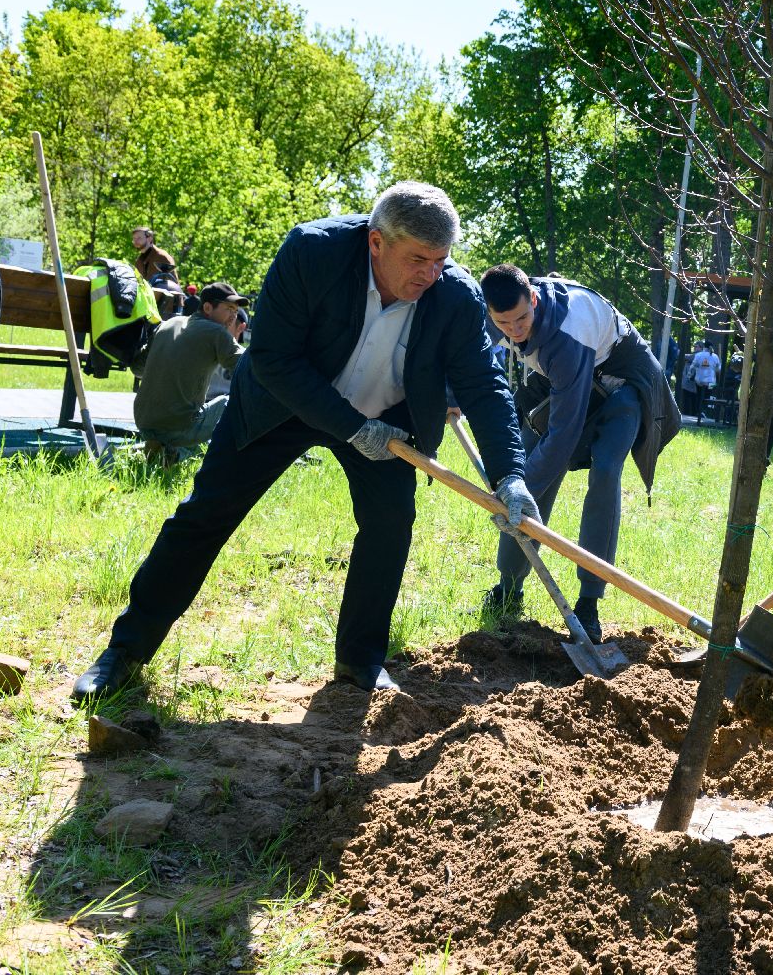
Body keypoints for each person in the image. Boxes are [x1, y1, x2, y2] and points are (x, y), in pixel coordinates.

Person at [71, 182, 533, 699]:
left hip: (386, 418)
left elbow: (484, 385)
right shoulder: (312, 252)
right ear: (375, 242)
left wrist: (510, 475)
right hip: (284, 403)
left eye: (441, 260)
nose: (430, 274)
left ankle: (360, 662)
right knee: (205, 515)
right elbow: (271, 359)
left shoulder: (455, 294)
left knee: (389, 527)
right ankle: (125, 651)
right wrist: (353, 428)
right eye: (418, 259)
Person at [480, 264, 680, 640]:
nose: (515, 330)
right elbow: (470, 365)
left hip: (622, 384)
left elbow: (564, 435)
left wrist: (517, 494)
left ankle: (589, 602)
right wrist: (451, 399)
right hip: (562, 384)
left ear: (534, 299)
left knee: (604, 471)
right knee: (521, 469)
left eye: (522, 319)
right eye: (504, 324)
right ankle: (508, 590)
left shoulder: (569, 336)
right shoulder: (492, 314)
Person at [132, 282, 248, 461]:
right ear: (208, 307)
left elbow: (137, 368)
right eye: (229, 309)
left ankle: (164, 449)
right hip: (179, 426)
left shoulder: (168, 323)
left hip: (143, 420)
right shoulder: (216, 332)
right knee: (233, 401)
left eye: (236, 311)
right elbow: (250, 369)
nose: (234, 316)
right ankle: (234, 459)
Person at [689, 341, 721, 420]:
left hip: (699, 381)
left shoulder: (698, 355)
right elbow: (719, 369)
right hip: (711, 383)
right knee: (709, 394)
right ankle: (704, 410)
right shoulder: (715, 356)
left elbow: (692, 367)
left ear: (704, 347)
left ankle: (699, 411)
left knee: (699, 395)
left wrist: (689, 376)